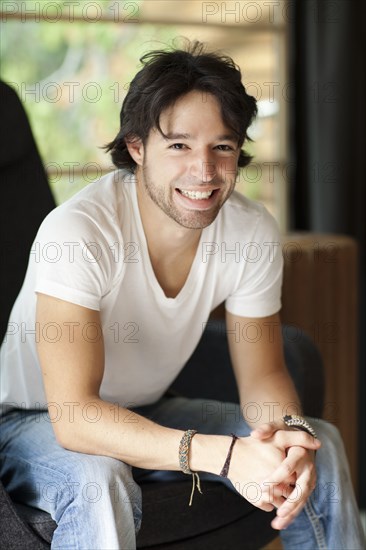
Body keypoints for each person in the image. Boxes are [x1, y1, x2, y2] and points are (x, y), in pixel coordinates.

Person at [0, 41, 364, 550]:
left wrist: (288, 434)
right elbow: (76, 417)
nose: (205, 171)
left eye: (223, 146)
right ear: (136, 147)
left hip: (146, 408)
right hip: (32, 420)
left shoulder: (250, 229)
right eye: (179, 146)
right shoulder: (78, 233)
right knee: (96, 479)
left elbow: (264, 376)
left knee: (319, 444)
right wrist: (226, 455)